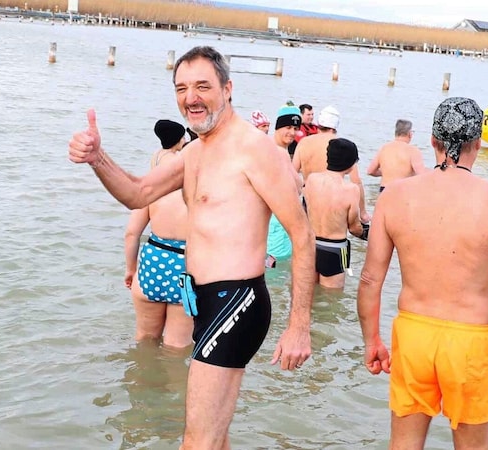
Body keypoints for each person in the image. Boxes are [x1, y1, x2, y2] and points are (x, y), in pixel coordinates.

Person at [68, 45, 315, 449]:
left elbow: (302, 234)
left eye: (203, 86)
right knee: (214, 439)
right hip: (202, 301)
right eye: (182, 88)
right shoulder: (194, 153)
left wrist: (300, 326)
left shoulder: (256, 151)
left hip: (237, 301)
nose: (191, 97)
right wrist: (98, 158)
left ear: (228, 88)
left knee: (196, 442)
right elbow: (137, 192)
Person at [357, 97, 488, 449]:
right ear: (478, 143)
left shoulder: (394, 197)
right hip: (470, 343)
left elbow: (370, 280)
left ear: (433, 141)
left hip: (412, 336)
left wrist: (372, 341)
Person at [123, 119, 193, 348]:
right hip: (185, 266)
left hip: (152, 262)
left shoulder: (151, 188)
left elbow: (132, 234)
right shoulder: (195, 187)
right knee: (177, 346)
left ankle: (141, 380)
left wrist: (131, 270)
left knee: (144, 339)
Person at [292, 105, 371, 226]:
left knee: (309, 235)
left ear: (319, 123)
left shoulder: (304, 142)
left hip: (309, 198)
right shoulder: (342, 146)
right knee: (333, 235)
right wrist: (363, 212)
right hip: (334, 201)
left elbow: (292, 174)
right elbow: (356, 181)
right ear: (336, 125)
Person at [303, 137, 365, 289]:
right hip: (335, 250)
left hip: (310, 246)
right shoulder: (351, 190)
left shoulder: (311, 180)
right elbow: (354, 228)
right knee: (332, 301)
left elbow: (304, 210)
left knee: (311, 296)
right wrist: (368, 232)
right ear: (351, 163)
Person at [267, 103, 303, 266]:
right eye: (288, 127)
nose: (292, 133)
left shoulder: (278, 150)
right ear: (278, 127)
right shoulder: (276, 151)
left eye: (295, 129)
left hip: (278, 225)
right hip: (273, 228)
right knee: (274, 278)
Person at [366, 119, 426, 191]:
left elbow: (370, 171)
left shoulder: (384, 148)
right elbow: (421, 175)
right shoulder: (413, 150)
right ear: (409, 134)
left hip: (385, 190)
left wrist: (387, 172)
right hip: (402, 190)